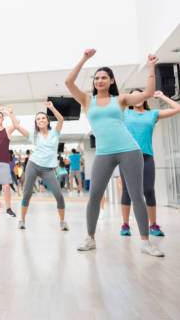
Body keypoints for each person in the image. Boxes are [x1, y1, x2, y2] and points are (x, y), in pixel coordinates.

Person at [65, 49, 163, 257]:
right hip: (104, 153)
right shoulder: (86, 100)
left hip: (129, 150)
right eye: (97, 78)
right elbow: (68, 82)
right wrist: (84, 59)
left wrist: (152, 67)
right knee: (94, 197)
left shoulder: (120, 100)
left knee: (137, 195)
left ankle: (146, 242)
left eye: (104, 78)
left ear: (111, 81)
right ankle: (90, 238)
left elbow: (147, 94)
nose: (99, 81)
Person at [120, 89, 180, 237]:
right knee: (127, 192)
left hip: (146, 157)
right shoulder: (125, 114)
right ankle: (126, 224)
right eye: (133, 96)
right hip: (127, 157)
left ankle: (153, 225)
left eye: (140, 95)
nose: (137, 98)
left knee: (149, 191)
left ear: (144, 97)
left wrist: (162, 96)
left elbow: (177, 108)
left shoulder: (152, 114)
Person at [12, 102, 69, 231]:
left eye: (43, 118)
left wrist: (52, 107)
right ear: (36, 122)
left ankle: (62, 222)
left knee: (59, 195)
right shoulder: (33, 135)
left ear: (47, 120)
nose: (41, 120)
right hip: (33, 165)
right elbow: (16, 126)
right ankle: (22, 220)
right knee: (27, 194)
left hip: (48, 169)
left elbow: (61, 119)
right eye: (38, 119)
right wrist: (10, 114)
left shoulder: (55, 133)